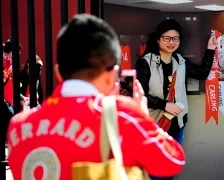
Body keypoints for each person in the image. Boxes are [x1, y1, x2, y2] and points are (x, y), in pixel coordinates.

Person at [6, 14, 185, 180]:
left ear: (58, 73)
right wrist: (142, 115)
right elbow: (172, 161)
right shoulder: (121, 114)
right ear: (112, 75)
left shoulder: (19, 126)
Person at [136, 19, 217, 180]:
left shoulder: (180, 61)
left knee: (169, 167)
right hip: (154, 125)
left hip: (177, 124)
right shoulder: (146, 63)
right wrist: (165, 105)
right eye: (167, 38)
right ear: (158, 39)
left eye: (175, 38)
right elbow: (139, 95)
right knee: (154, 170)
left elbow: (201, 73)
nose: (171, 42)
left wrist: (210, 49)